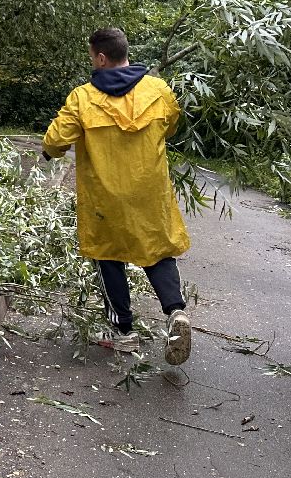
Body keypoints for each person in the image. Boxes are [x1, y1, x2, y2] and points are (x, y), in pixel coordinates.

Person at [41, 27, 192, 364]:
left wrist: (49, 151)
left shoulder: (83, 97)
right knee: (156, 250)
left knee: (108, 256)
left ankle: (123, 331)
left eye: (92, 57)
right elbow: (170, 125)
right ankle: (175, 311)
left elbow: (55, 141)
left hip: (105, 198)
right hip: (149, 189)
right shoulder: (158, 89)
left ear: (101, 57)